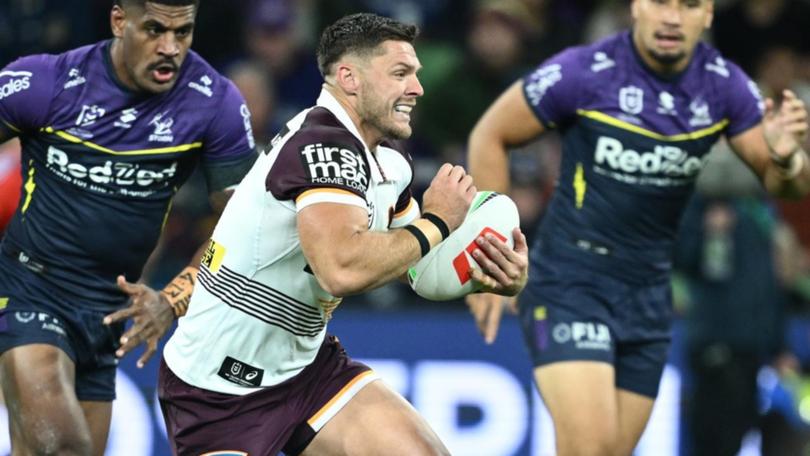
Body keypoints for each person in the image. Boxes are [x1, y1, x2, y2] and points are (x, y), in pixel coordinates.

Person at [158, 12, 529, 456]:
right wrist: (440, 220)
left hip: (305, 371)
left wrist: (488, 269)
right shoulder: (321, 146)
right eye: (400, 74)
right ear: (350, 78)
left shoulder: (387, 164)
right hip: (215, 391)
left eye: (415, 74)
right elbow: (341, 268)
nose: (417, 88)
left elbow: (417, 266)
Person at [464, 1, 810, 455]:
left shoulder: (725, 87)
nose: (671, 16)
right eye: (660, 2)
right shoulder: (585, 71)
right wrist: (489, 247)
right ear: (636, 8)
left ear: (708, 15)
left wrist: (787, 158)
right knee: (590, 448)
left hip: (648, 294)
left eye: (688, 5)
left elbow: (785, 185)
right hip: (570, 280)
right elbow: (490, 134)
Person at [0, 0, 258, 453]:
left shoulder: (213, 104)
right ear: (120, 21)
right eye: (155, 30)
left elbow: (248, 229)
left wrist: (174, 299)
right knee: (64, 448)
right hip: (28, 288)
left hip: (109, 314)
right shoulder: (48, 82)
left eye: (183, 33)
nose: (170, 48)